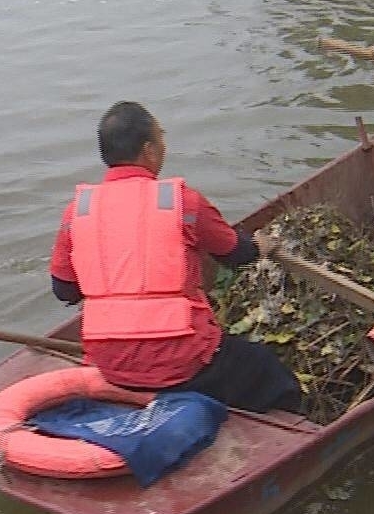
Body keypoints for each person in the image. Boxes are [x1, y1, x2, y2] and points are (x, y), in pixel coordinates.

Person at [48, 102, 304, 415]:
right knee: (270, 373)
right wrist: (260, 245)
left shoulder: (79, 209)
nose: (164, 146)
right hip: (182, 364)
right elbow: (236, 254)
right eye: (161, 138)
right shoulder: (181, 201)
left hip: (107, 363)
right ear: (149, 151)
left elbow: (64, 289)